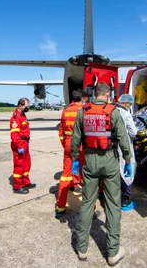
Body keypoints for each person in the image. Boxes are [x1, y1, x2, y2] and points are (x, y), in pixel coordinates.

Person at [70, 82, 133, 266]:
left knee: (88, 201)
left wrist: (75, 159)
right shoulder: (113, 111)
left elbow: (75, 138)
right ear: (107, 94)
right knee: (113, 203)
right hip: (110, 161)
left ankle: (82, 249)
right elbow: (123, 138)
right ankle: (113, 252)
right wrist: (128, 161)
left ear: (94, 94)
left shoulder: (83, 110)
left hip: (90, 160)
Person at [55, 89, 86, 219]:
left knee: (65, 176)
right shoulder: (84, 111)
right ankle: (90, 209)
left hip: (68, 147)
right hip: (81, 148)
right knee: (86, 177)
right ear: (82, 99)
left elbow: (61, 133)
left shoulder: (65, 111)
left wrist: (66, 146)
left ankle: (60, 206)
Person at [116, 94, 138, 210]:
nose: (129, 106)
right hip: (125, 147)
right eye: (129, 104)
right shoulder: (126, 114)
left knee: (116, 172)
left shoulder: (112, 111)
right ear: (125, 103)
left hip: (113, 147)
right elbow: (133, 132)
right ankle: (126, 199)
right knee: (128, 171)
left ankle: (114, 198)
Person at [10, 97, 36, 194]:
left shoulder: (23, 115)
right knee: (19, 165)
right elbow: (14, 135)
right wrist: (19, 146)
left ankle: (25, 182)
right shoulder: (16, 118)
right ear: (20, 106)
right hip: (19, 145)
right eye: (26, 106)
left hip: (25, 143)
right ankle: (17, 186)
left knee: (26, 164)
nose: (27, 108)